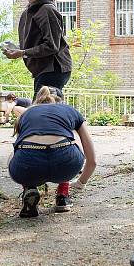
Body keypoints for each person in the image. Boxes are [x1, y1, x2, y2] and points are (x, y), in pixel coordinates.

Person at [9, 86, 96, 217]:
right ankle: (63, 195)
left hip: (27, 166)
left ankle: (29, 189)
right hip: (66, 165)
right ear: (61, 101)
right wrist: (80, 183)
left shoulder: (26, 113)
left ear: (37, 100)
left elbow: (20, 147)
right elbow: (92, 161)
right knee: (69, 142)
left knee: (17, 151)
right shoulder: (70, 110)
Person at [3, 0, 72, 97]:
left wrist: (23, 52)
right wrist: (18, 50)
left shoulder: (46, 10)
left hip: (53, 68)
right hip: (44, 69)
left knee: (43, 110)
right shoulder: (31, 11)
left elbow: (52, 45)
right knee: (43, 109)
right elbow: (35, 42)